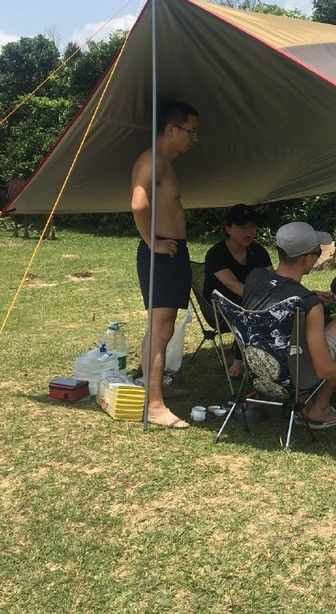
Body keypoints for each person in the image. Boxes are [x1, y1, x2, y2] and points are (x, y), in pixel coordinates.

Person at [242, 221, 336, 429]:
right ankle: (320, 408)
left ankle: (304, 400)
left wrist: (310, 295)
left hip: (258, 371)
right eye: (317, 252)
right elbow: (324, 369)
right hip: (291, 377)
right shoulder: (307, 303)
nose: (318, 256)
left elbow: (279, 290)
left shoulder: (254, 277)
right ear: (306, 258)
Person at [130, 101, 200, 429]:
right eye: (191, 132)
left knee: (163, 327)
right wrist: (151, 242)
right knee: (161, 329)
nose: (194, 139)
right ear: (171, 129)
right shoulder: (152, 161)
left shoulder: (164, 163)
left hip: (171, 251)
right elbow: (138, 203)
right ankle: (154, 405)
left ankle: (154, 391)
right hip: (161, 252)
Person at [203, 204, 273, 377]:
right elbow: (232, 285)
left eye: (252, 226)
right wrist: (263, 299)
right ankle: (239, 360)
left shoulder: (258, 251)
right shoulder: (216, 253)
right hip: (217, 305)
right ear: (228, 228)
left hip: (251, 300)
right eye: (242, 227)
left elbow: (273, 279)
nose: (248, 232)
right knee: (248, 308)